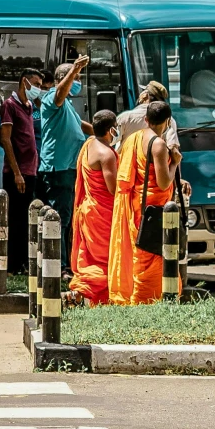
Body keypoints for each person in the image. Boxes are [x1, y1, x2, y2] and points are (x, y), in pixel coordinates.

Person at [108, 97, 179, 305]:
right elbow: (164, 182)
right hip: (154, 207)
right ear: (167, 122)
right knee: (153, 253)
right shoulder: (158, 145)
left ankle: (134, 293)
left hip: (137, 204)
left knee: (139, 253)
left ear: (146, 120)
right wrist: (175, 163)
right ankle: (146, 298)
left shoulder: (134, 138)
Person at [34, 56, 89, 277]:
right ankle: (61, 267)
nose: (78, 82)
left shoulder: (66, 104)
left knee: (67, 218)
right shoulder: (51, 97)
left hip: (69, 168)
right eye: (76, 78)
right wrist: (73, 69)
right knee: (61, 219)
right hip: (58, 168)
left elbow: (80, 125)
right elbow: (59, 93)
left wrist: (105, 132)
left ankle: (64, 263)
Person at [0, 66, 46, 275]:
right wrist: (16, 172)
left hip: (30, 170)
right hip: (18, 172)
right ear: (25, 81)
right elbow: (5, 138)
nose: (39, 89)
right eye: (37, 85)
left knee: (26, 219)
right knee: (15, 220)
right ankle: (13, 265)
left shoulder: (29, 106)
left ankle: (23, 261)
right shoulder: (10, 105)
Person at [67, 109, 119, 304]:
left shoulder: (88, 145)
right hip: (103, 214)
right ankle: (80, 292)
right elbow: (113, 189)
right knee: (104, 259)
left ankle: (83, 294)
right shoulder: (107, 155)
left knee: (89, 257)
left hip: (89, 210)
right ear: (111, 130)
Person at [117, 78, 179, 154]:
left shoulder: (125, 117)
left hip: (127, 164)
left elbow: (109, 140)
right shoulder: (168, 120)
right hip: (155, 164)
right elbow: (173, 148)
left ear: (145, 95)